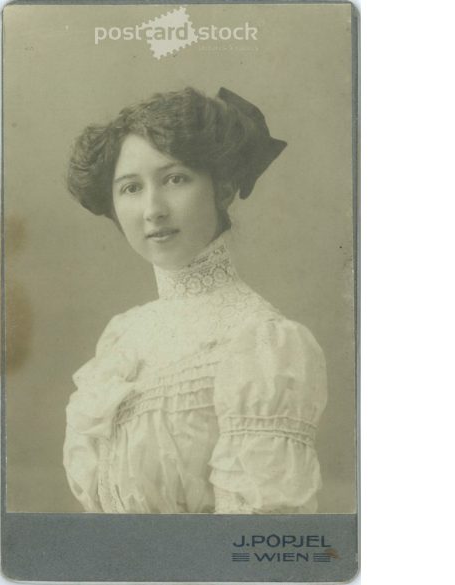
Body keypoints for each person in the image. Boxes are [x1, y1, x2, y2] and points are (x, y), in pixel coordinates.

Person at [63, 87, 327, 514]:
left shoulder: (262, 343)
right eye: (131, 188)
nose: (153, 209)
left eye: (175, 179)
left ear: (222, 189)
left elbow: (254, 547)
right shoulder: (122, 335)